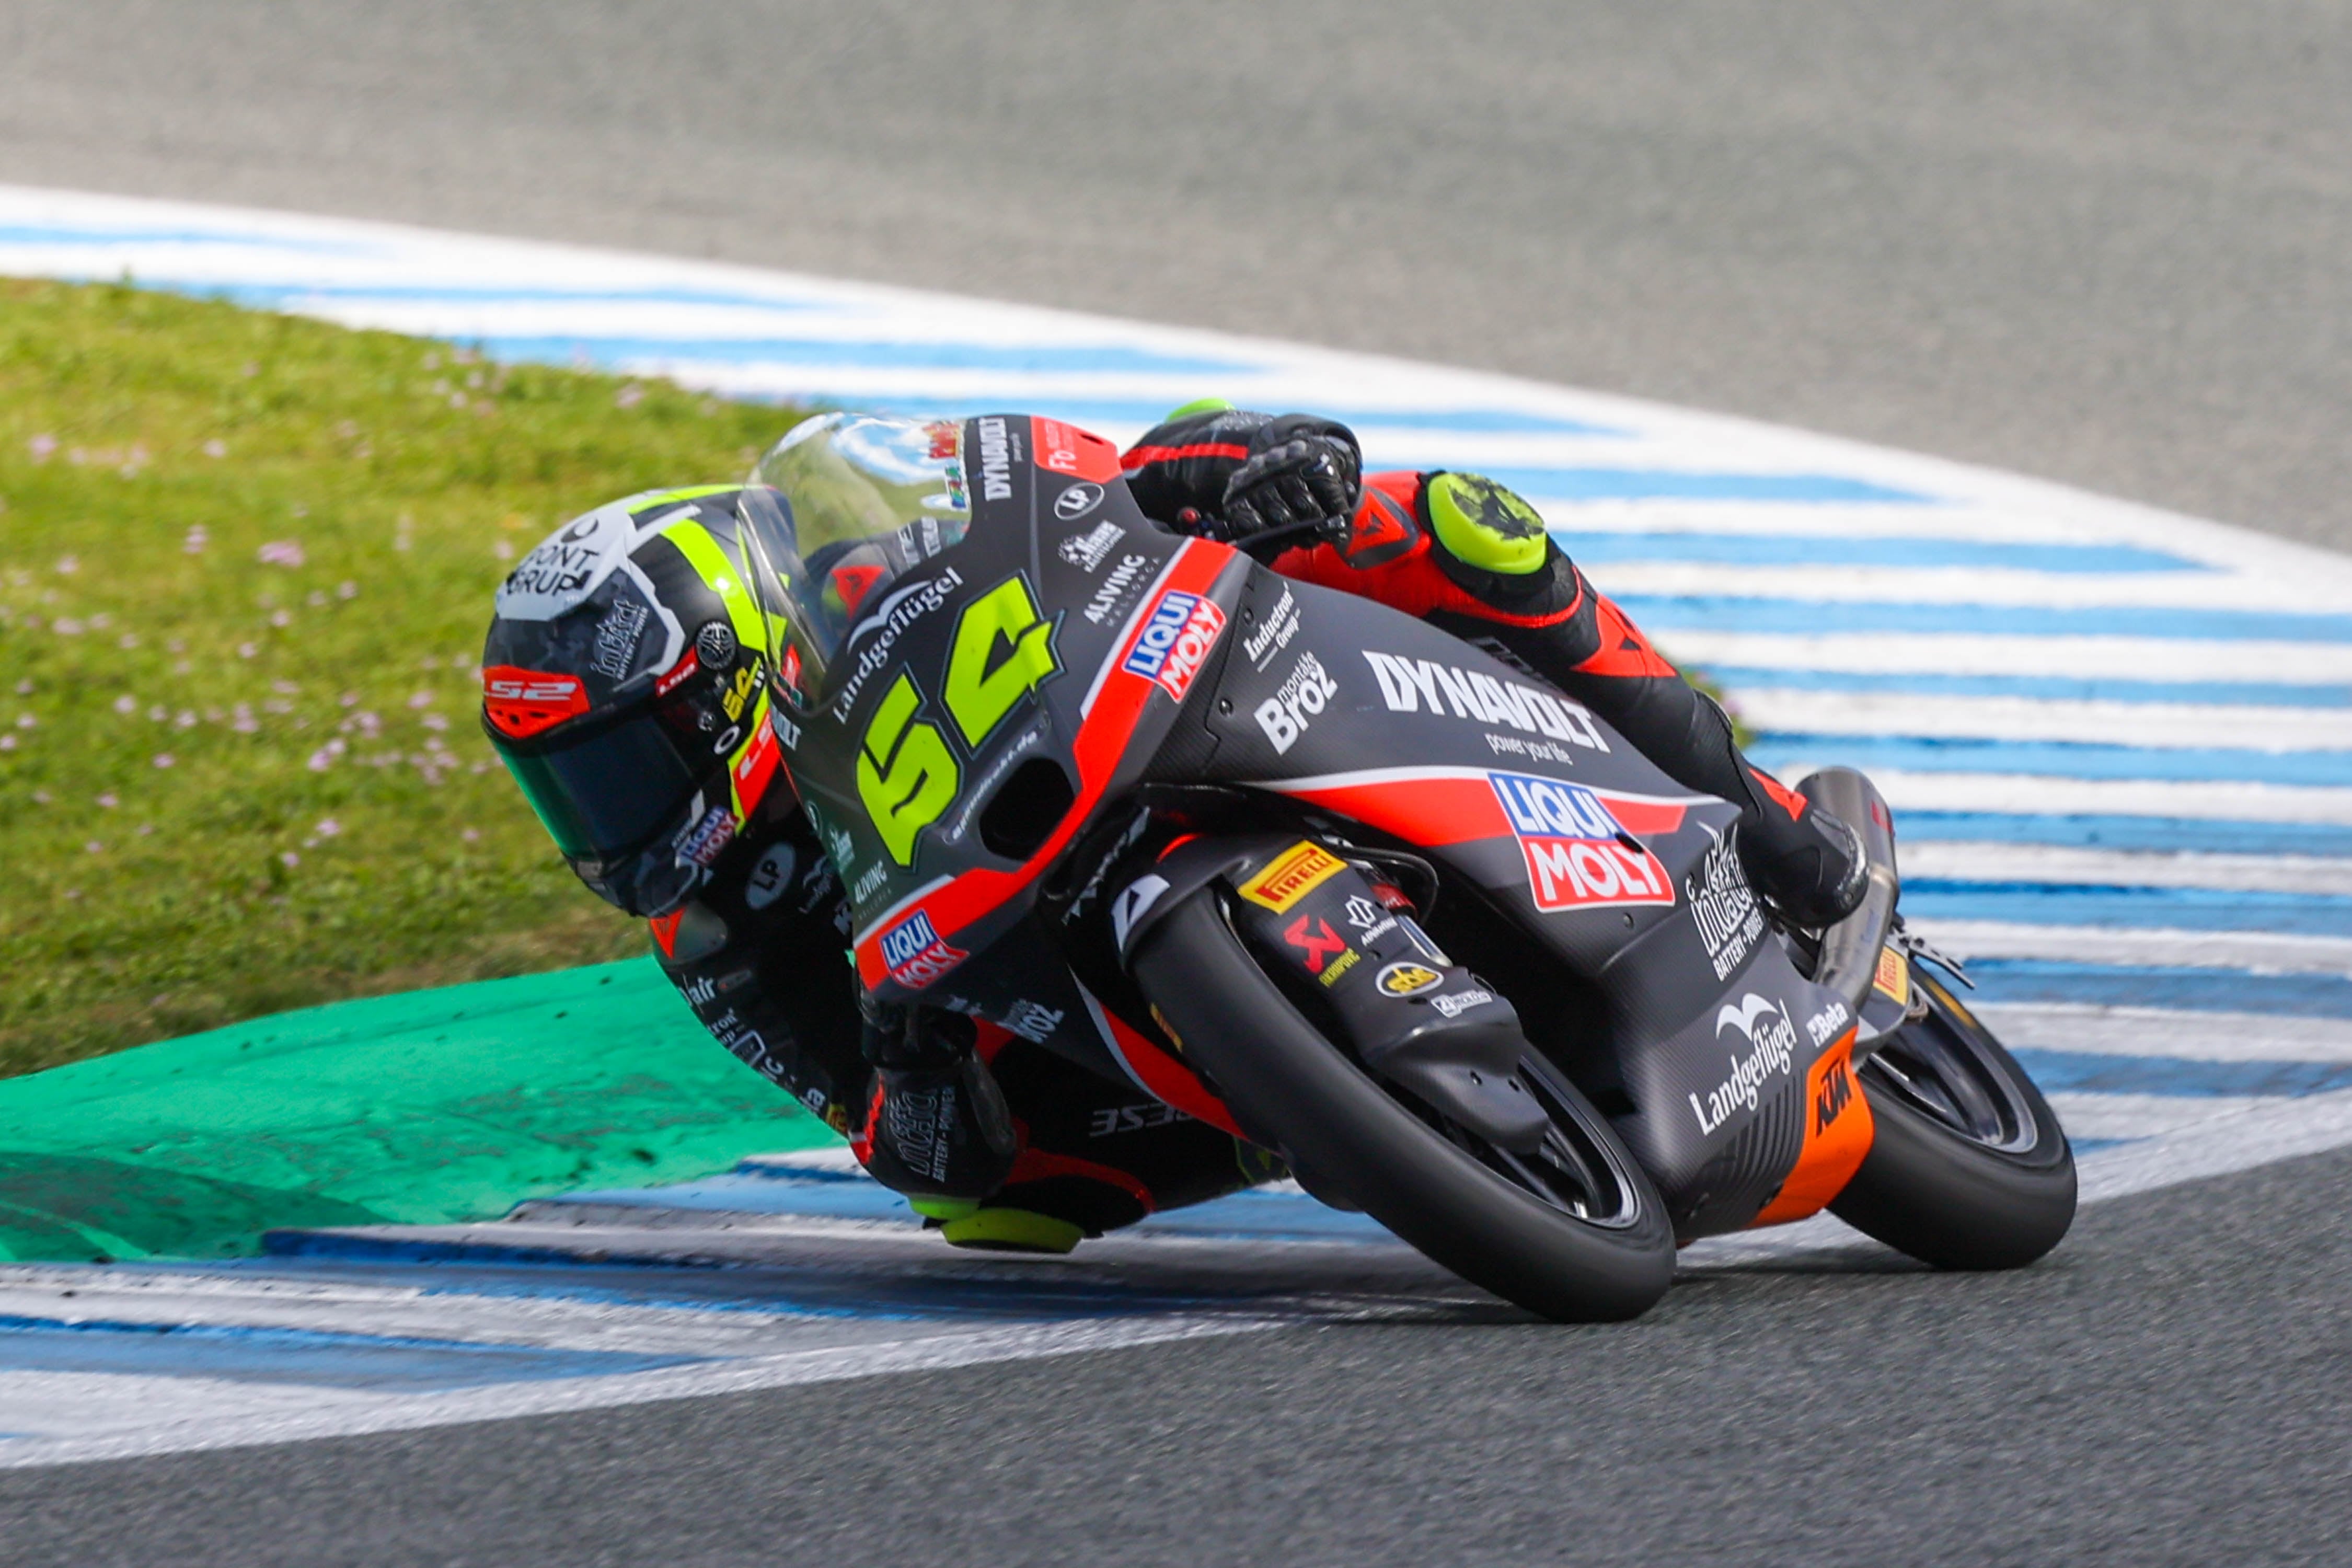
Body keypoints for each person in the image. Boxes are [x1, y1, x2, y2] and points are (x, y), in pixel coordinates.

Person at [479, 408, 1865, 1253]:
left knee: (1448, 527)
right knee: (999, 1207)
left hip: (1156, 714)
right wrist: (911, 1045)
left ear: (730, 674)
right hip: (1047, 983)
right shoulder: (713, 924)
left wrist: (1223, 467)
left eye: (618, 768)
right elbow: (899, 1147)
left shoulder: (853, 571)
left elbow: (1075, 484)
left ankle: (1759, 823)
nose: (611, 824)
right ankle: (1307, 1101)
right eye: (565, 787)